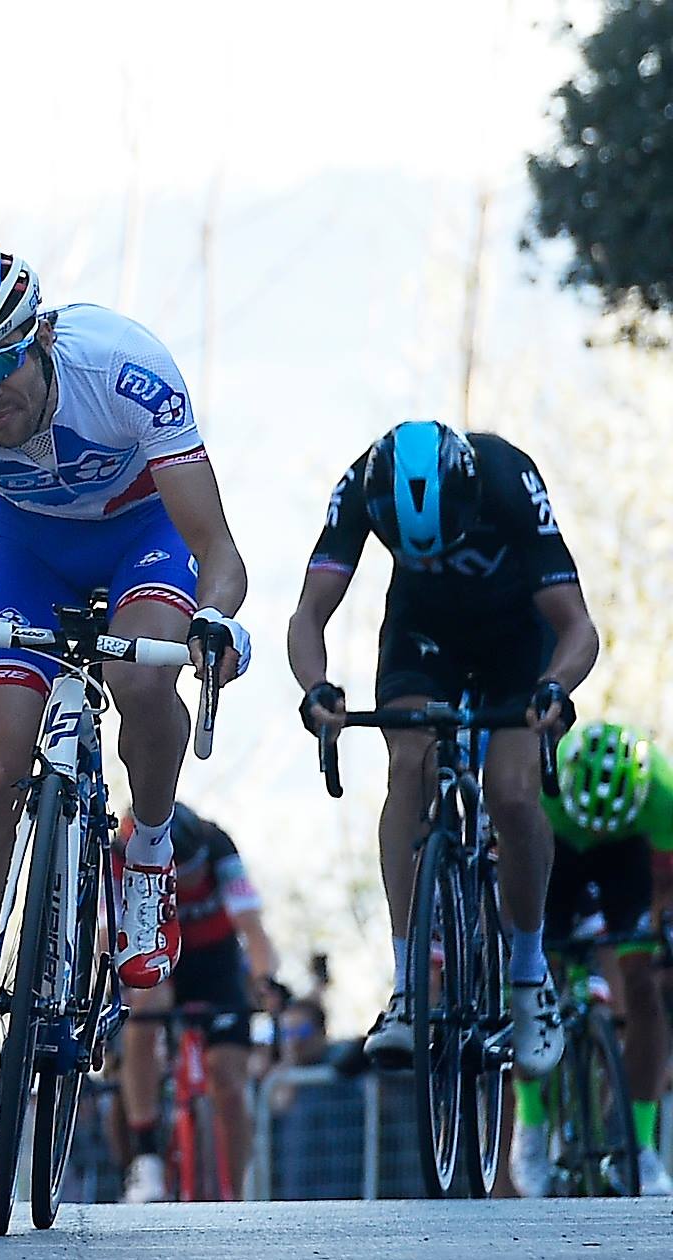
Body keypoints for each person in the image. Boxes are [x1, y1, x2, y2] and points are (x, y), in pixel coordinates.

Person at [0, 244, 251, 1142]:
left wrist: (213, 622)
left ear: (40, 336)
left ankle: (150, 852)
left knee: (142, 671)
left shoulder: (125, 370)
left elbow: (222, 555)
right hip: (30, 557)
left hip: (146, 538)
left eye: (1, 363)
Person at [288, 422, 594, 1080]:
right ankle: (405, 988)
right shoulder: (363, 483)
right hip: (424, 635)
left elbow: (577, 625)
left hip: (519, 636)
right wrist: (315, 687)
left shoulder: (508, 476)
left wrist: (554, 689)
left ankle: (526, 976)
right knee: (410, 764)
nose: (429, 555)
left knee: (512, 792)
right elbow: (309, 613)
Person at [512, 722, 673, 1197]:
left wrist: (657, 933)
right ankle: (532, 1126)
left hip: (625, 857)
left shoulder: (662, 794)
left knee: (642, 985)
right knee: (529, 980)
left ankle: (637, 1148)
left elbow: (665, 885)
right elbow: (512, 869)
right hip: (554, 853)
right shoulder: (541, 781)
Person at [114, 804, 278, 1203]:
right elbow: (105, 933)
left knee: (228, 1078)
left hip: (215, 963)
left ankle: (235, 1193)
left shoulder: (217, 844)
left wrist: (267, 981)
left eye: (194, 872)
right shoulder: (121, 851)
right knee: (145, 1008)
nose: (190, 882)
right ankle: (147, 1156)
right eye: (181, 876)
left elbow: (252, 927)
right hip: (156, 959)